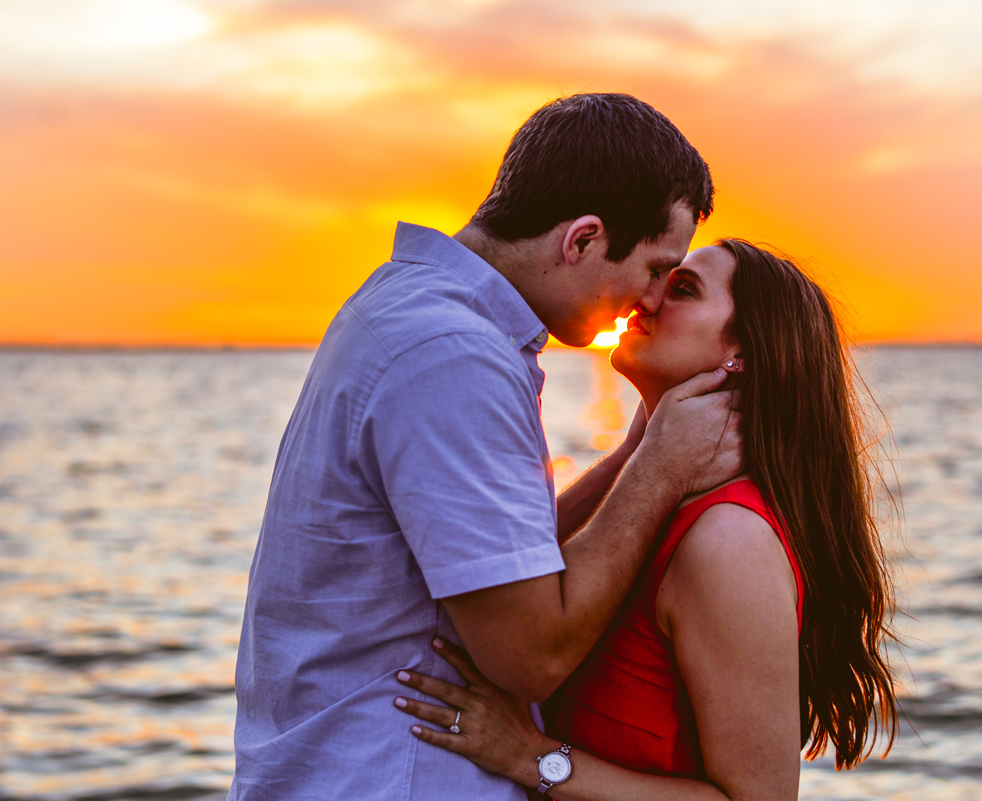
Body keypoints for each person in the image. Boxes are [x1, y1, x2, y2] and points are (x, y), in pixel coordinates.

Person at [228, 94, 743, 800]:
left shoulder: (411, 311)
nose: (650, 300)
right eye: (655, 269)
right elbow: (533, 653)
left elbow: (503, 559)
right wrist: (660, 469)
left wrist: (633, 456)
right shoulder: (453, 355)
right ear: (583, 240)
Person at [392, 240, 900, 799]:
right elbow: (522, 577)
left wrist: (530, 757)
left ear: (743, 352)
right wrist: (639, 453)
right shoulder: (650, 499)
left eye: (681, 288)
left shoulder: (727, 541)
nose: (648, 296)